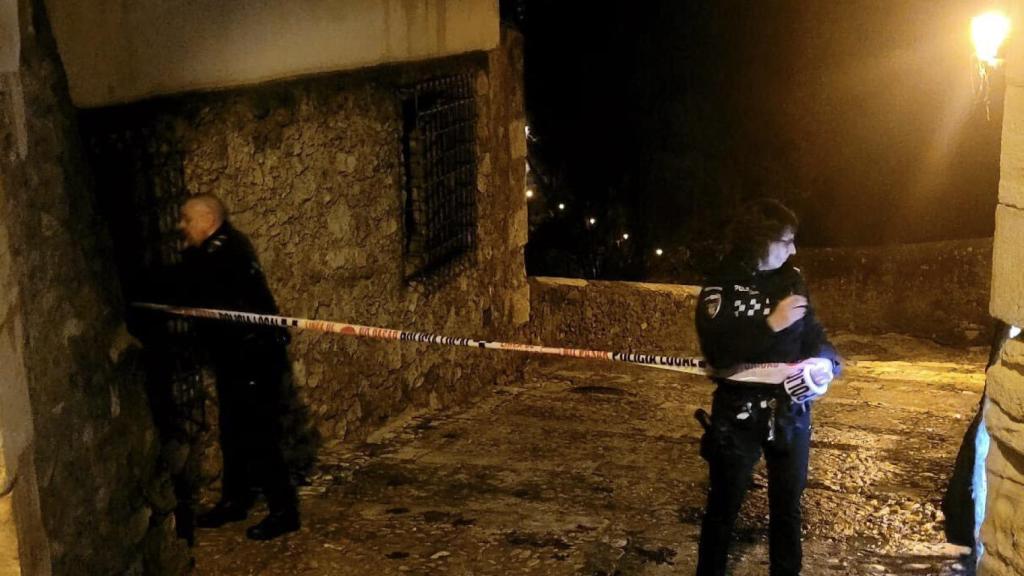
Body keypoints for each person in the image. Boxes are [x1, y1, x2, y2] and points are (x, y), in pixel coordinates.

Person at [694, 198, 840, 576]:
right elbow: (718, 351)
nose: (794, 249)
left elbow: (815, 336)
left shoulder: (792, 281)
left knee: (788, 510)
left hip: (791, 411)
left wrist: (825, 364)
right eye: (787, 240)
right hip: (736, 414)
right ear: (761, 239)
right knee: (723, 509)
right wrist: (769, 324)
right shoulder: (721, 283)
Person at [174, 193, 300, 540]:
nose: (180, 227)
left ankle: (283, 510)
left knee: (261, 435)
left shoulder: (225, 252)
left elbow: (195, 285)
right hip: (235, 359)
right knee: (233, 432)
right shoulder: (217, 249)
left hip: (254, 358)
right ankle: (235, 500)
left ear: (208, 219)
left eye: (187, 219)